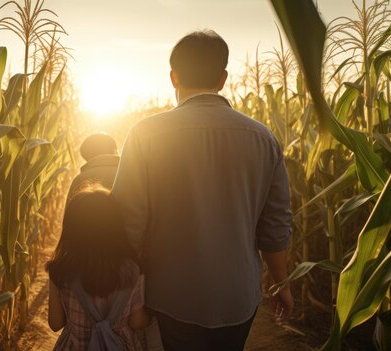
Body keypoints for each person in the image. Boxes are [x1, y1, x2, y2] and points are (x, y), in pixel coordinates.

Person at [111, 30, 294, 350]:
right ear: (223, 79)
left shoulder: (144, 135)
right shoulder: (263, 138)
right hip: (238, 299)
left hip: (170, 296)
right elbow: (275, 226)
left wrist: (127, 295)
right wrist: (283, 284)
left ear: (174, 78)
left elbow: (128, 223)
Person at [46, 187, 150, 350]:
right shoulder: (132, 271)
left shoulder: (60, 271)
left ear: (71, 230)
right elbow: (137, 322)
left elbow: (55, 323)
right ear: (116, 227)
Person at [66, 133, 120, 201]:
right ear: (114, 150)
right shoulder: (130, 174)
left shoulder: (80, 180)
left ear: (87, 156)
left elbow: (71, 210)